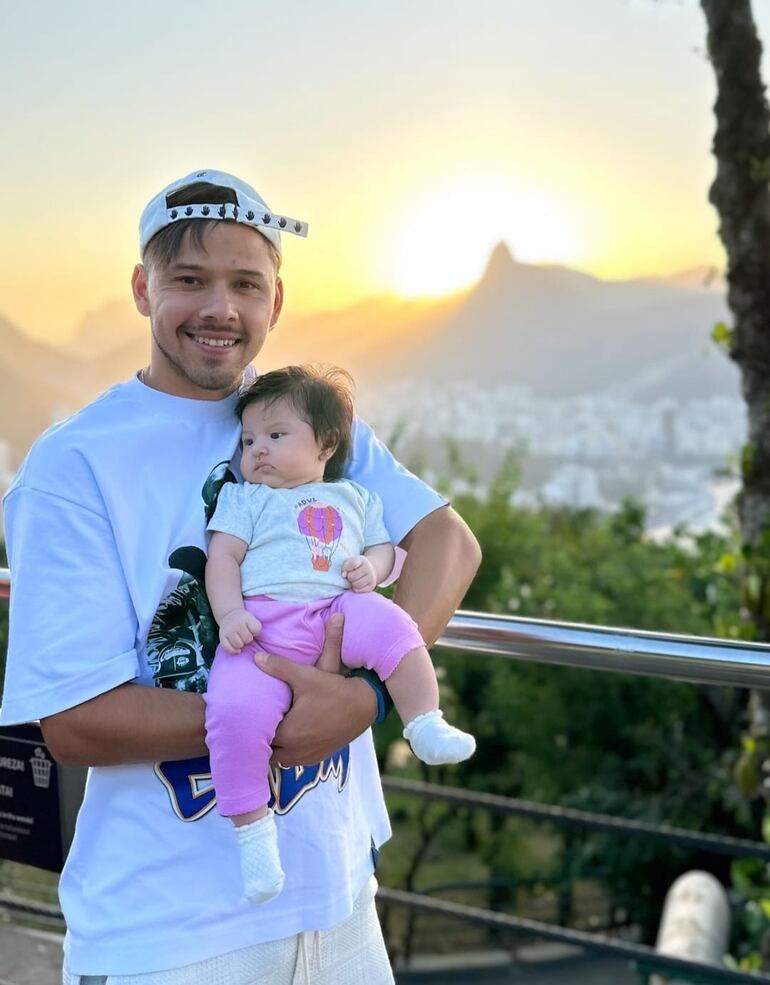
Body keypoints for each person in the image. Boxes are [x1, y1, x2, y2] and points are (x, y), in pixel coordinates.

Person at [0, 169, 481, 985]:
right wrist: (278, 714)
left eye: (245, 284)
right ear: (142, 289)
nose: (220, 308)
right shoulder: (75, 463)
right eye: (189, 280)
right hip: (169, 936)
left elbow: (447, 544)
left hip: (340, 905)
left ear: (276, 303)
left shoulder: (310, 421)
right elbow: (75, 721)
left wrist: (364, 696)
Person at [204, 364, 476, 904]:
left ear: (326, 445)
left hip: (335, 610)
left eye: (276, 437)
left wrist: (372, 571)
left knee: (395, 628)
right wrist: (230, 614)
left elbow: (382, 548)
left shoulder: (355, 496)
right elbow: (222, 559)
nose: (257, 450)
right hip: (263, 630)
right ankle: (254, 836)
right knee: (231, 715)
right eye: (250, 439)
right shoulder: (244, 498)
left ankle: (424, 720)